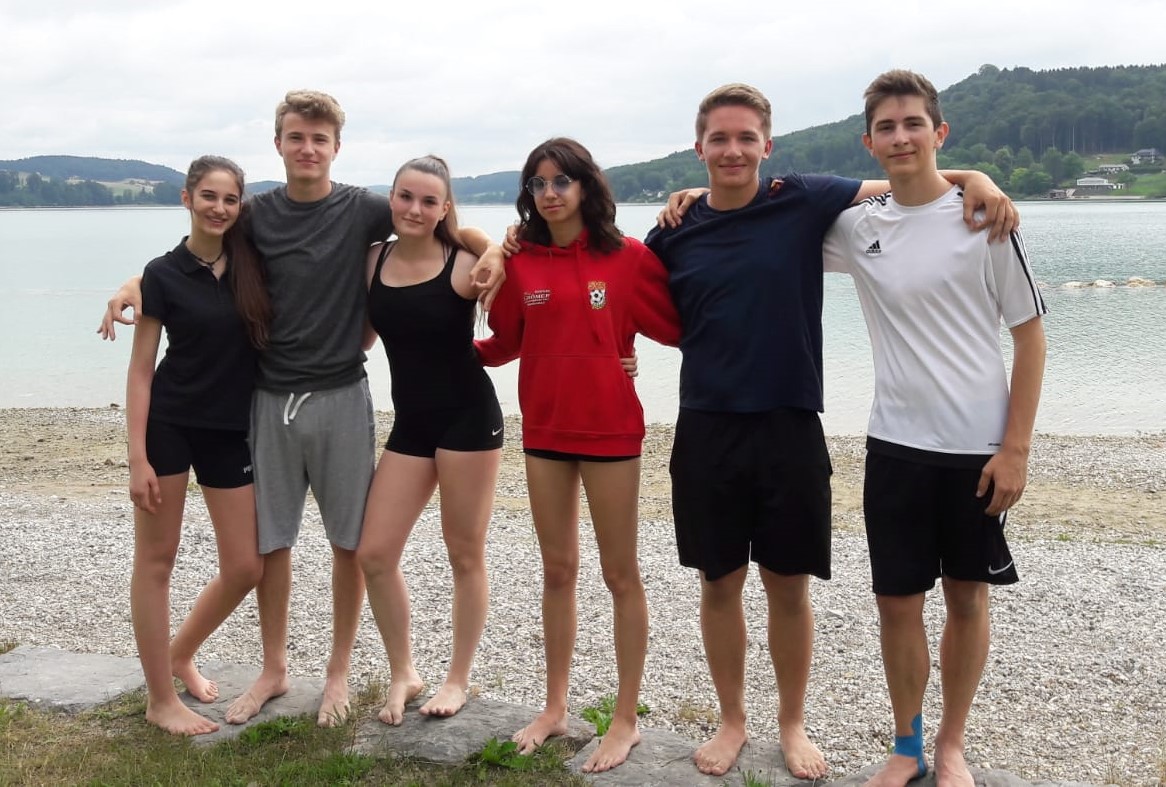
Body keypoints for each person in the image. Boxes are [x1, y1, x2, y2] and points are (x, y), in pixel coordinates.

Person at [644, 83, 1017, 779]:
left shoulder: (804, 200)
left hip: (790, 425)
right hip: (705, 426)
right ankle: (732, 719)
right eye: (719, 139)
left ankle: (792, 723)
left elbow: (910, 178)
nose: (732, 150)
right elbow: (629, 296)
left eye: (746, 137)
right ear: (698, 149)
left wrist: (978, 176)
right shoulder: (671, 230)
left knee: (789, 585)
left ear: (767, 146)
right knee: (719, 582)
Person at [100, 90, 505, 727]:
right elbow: (191, 254)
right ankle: (273, 668)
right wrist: (134, 285)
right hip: (268, 399)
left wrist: (496, 249)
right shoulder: (254, 213)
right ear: (280, 143)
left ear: (336, 148)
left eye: (320, 139)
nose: (308, 148)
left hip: (343, 395)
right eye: (296, 137)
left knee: (351, 544)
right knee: (274, 544)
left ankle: (339, 672)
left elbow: (442, 224)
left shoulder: (369, 207)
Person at [821, 69, 1046, 787]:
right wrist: (693, 196)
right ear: (870, 142)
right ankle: (908, 742)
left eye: (914, 123)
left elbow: (1031, 338)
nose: (900, 136)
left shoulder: (986, 220)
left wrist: (1015, 449)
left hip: (976, 450)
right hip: (894, 445)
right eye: (886, 127)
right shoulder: (859, 228)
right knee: (896, 603)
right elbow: (771, 207)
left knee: (966, 596)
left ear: (938, 132)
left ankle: (952, 743)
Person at [476, 137, 681, 773]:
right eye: (538, 183)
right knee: (557, 570)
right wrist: (435, 352)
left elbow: (677, 325)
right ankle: (555, 706)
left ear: (586, 187)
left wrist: (623, 349)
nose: (550, 193)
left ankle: (625, 718)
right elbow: (504, 341)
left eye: (562, 180)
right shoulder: (522, 262)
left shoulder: (629, 258)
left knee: (621, 575)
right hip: (544, 430)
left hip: (613, 433)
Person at [125, 155, 270, 735]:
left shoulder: (253, 267)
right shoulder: (161, 273)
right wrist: (137, 456)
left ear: (240, 206)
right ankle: (160, 699)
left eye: (230, 199)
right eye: (208, 196)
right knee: (156, 562)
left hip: (232, 429)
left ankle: (179, 654)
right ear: (187, 199)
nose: (219, 208)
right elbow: (141, 371)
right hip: (170, 424)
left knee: (244, 566)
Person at [356, 155, 503, 726]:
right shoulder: (373, 260)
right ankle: (404, 671)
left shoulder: (467, 262)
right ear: (390, 200)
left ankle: (457, 678)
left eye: (428, 200)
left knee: (464, 553)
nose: (414, 209)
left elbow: (524, 320)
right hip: (411, 424)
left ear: (445, 208)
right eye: (404, 197)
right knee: (374, 553)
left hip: (469, 420)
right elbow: (358, 335)